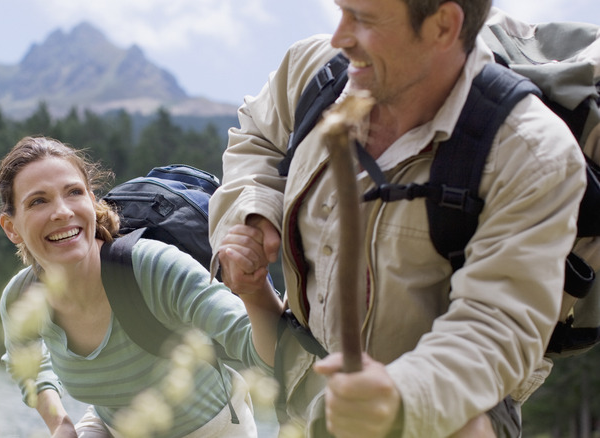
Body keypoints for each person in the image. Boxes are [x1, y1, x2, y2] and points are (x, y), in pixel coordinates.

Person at [208, 0, 588, 437]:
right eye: (342, 11)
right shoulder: (316, 70)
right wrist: (252, 211)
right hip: (302, 392)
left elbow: (498, 326)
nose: (340, 37)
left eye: (364, 20)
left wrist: (400, 398)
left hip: (443, 408)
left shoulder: (531, 153)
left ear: (443, 26)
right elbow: (257, 136)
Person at [0, 136, 283, 437]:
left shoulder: (152, 268)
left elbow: (268, 354)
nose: (62, 212)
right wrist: (60, 424)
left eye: (74, 192)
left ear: (92, 202)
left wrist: (253, 288)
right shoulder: (23, 297)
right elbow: (24, 364)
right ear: (12, 228)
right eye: (38, 201)